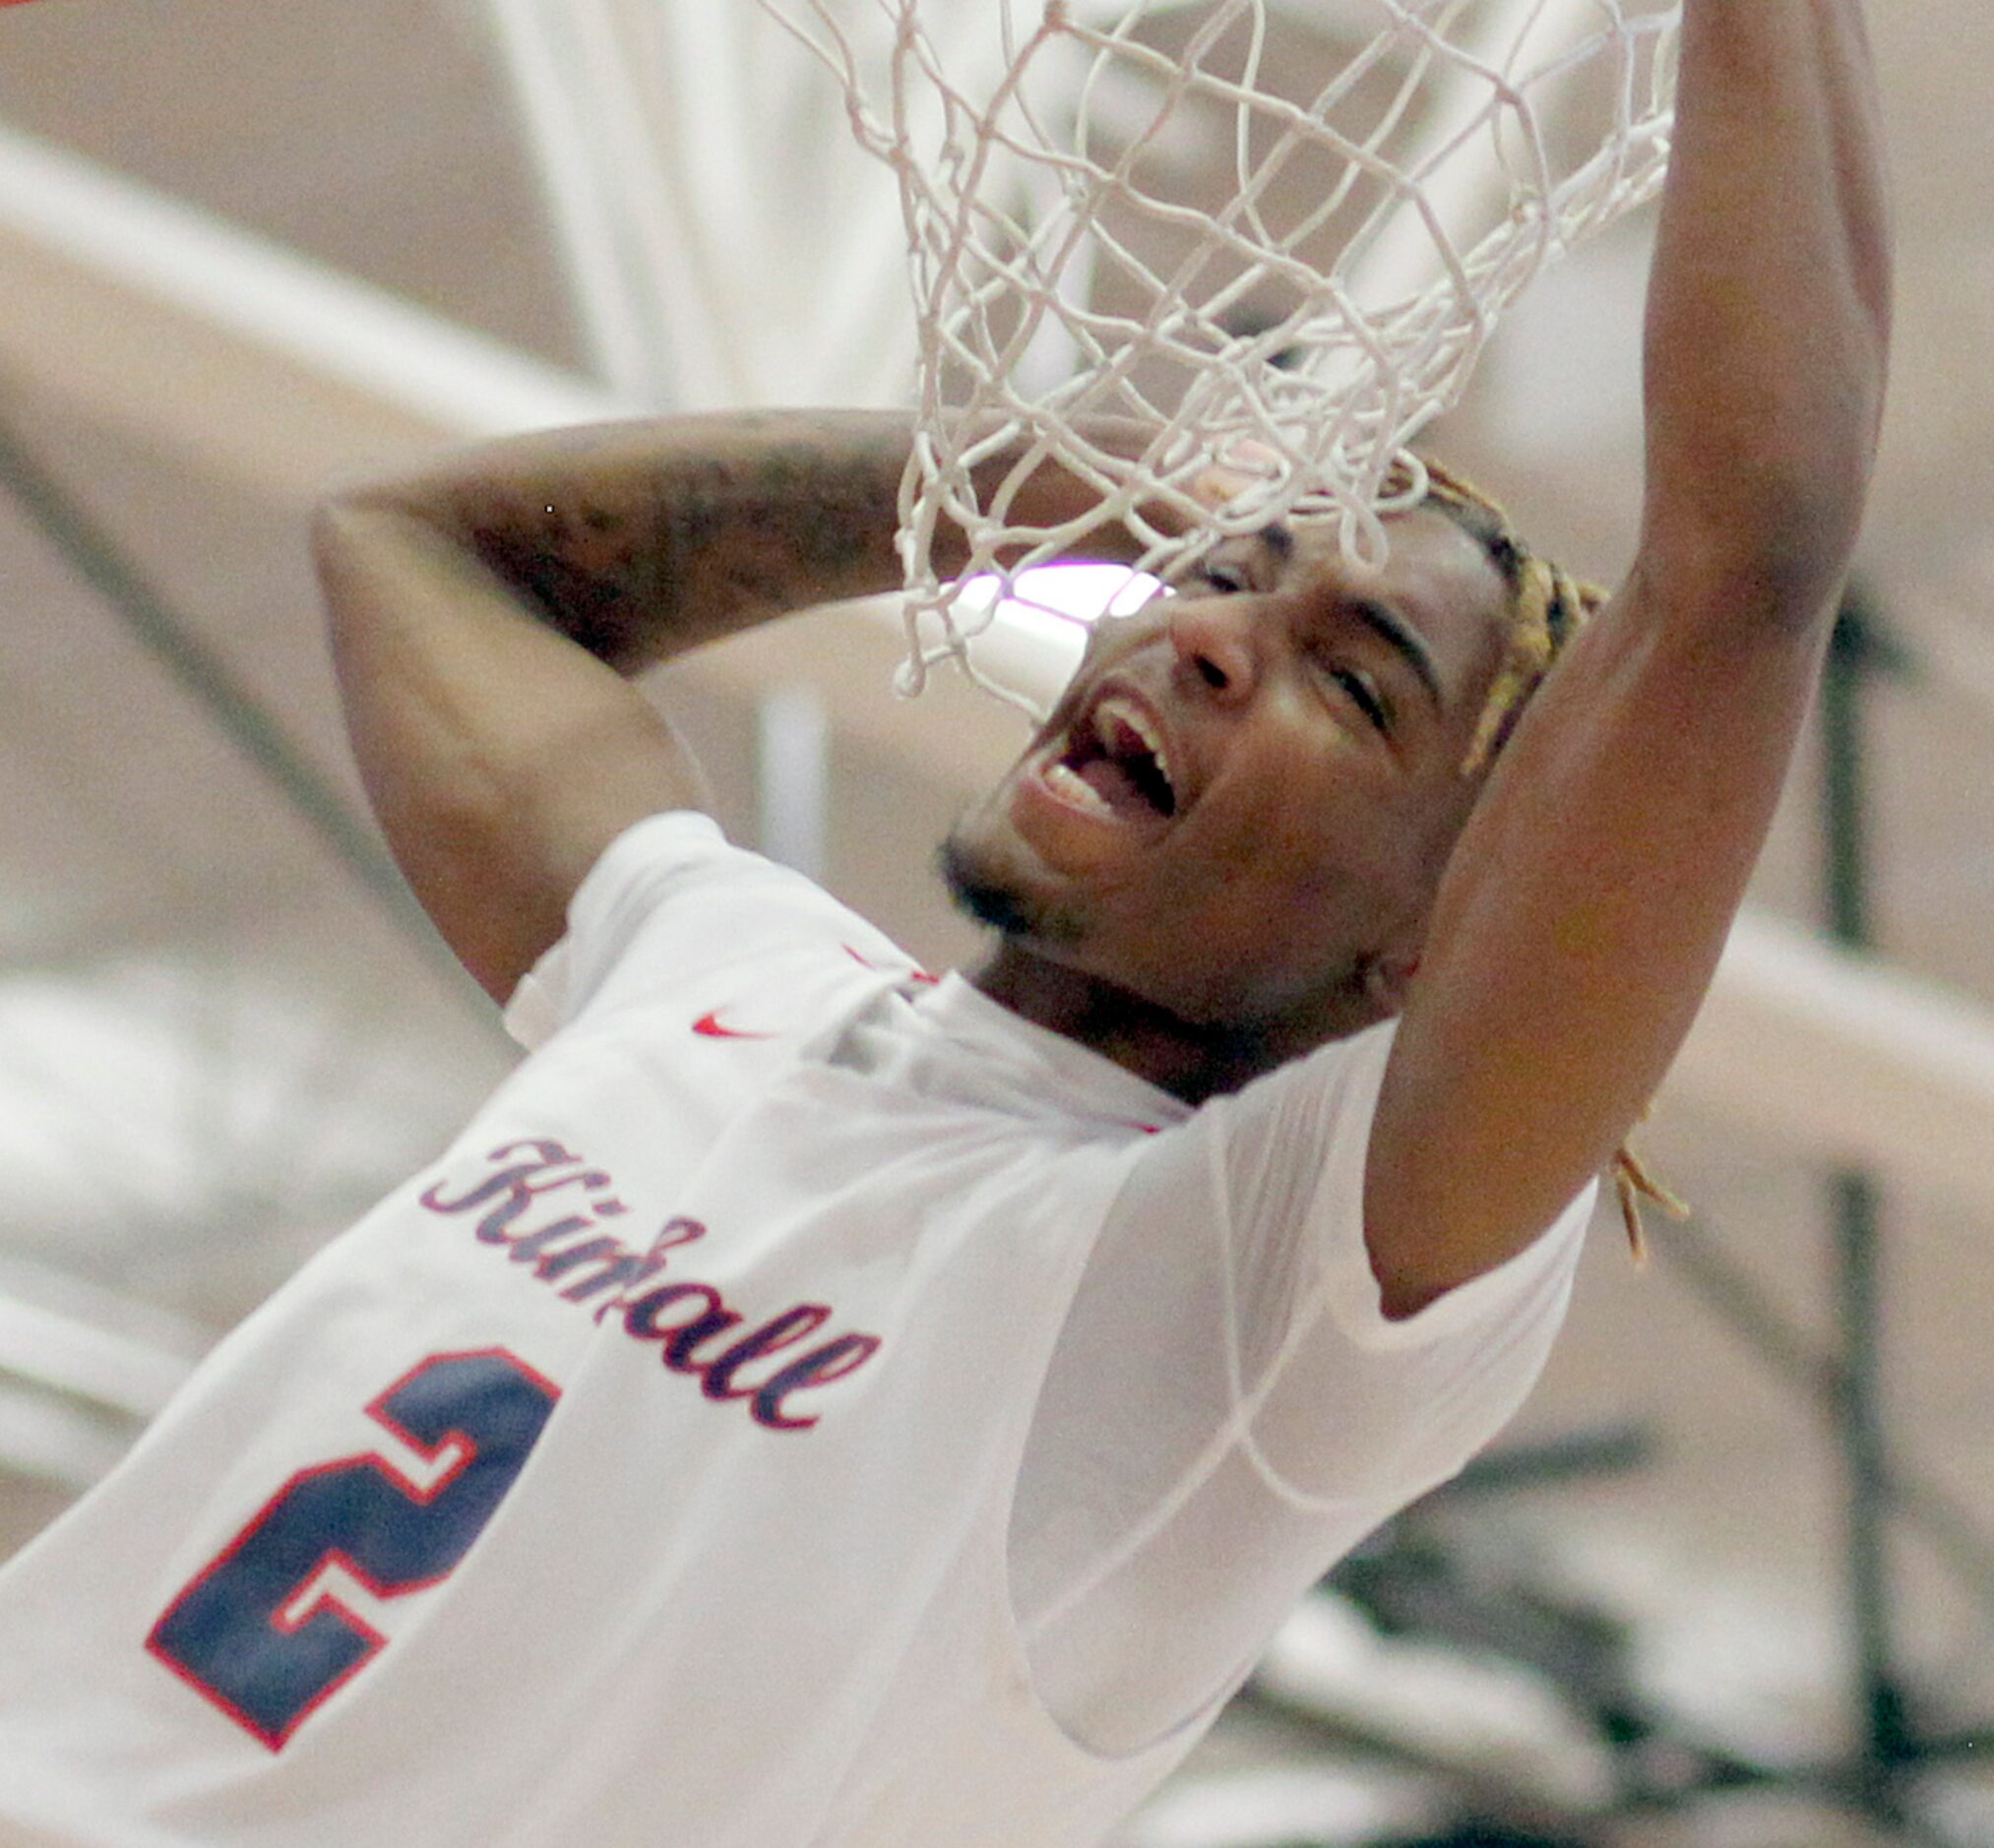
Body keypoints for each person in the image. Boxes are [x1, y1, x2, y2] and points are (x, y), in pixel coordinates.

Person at [0, 0, 1888, 1841]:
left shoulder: (1251, 1304)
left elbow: (1747, 563)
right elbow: (422, 561)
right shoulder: (716, 971)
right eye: (1220, 580)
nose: (1210, 632)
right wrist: (1050, 480)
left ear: (1438, 939)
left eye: (1357, 677)